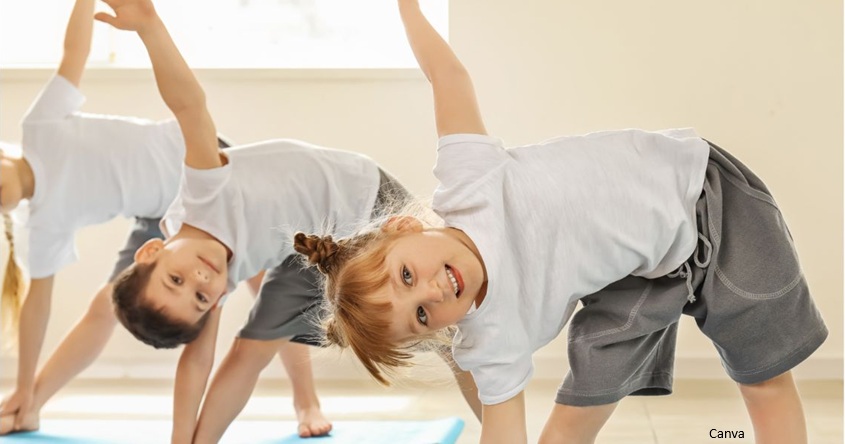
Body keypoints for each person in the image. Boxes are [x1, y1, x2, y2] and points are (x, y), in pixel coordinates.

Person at [292, 1, 828, 443]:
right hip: (640, 278)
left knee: (763, 378)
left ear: (405, 230)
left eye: (407, 277)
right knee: (571, 416)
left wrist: (407, 6)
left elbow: (447, 74)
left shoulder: (469, 182)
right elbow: (504, 432)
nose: (432, 292)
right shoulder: (489, 341)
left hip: (703, 196)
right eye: (424, 317)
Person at [94, 1, 481, 442]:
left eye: (175, 279)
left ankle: (502, 430)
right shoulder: (211, 276)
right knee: (248, 352)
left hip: (363, 205)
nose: (201, 279)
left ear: (152, 250)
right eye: (201, 298)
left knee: (452, 338)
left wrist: (150, 29)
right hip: (307, 246)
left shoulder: (203, 194)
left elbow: (189, 106)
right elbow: (198, 362)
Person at [0, 0, 333, 439]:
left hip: (202, 172)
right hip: (160, 215)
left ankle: (306, 400)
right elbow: (36, 306)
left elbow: (73, 54)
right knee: (107, 305)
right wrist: (24, 387)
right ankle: (30, 406)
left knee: (267, 289)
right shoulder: (43, 223)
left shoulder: (39, 126)